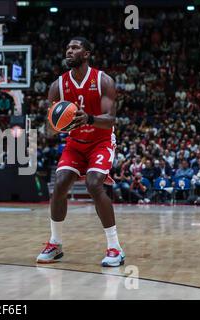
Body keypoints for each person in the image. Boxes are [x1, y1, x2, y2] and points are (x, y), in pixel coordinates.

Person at [37, 37, 125, 267]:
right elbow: (48, 129)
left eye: (75, 47)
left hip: (101, 141)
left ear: (86, 54)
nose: (69, 51)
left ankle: (115, 247)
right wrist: (56, 126)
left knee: (94, 184)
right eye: (67, 47)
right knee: (60, 184)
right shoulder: (58, 86)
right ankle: (55, 244)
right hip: (75, 143)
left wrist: (89, 119)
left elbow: (112, 120)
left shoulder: (103, 80)